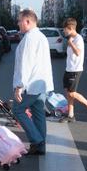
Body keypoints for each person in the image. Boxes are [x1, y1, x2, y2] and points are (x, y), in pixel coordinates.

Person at [12, 9, 54, 155]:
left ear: (27, 21)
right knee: (38, 113)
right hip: (41, 84)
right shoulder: (41, 36)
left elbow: (26, 64)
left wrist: (19, 86)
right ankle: (40, 146)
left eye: (19, 20)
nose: (18, 23)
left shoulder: (30, 38)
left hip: (31, 84)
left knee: (17, 110)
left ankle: (37, 140)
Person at [61, 18, 87, 122]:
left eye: (65, 29)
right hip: (69, 69)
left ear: (70, 28)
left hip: (75, 70)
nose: (64, 31)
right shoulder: (71, 38)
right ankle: (71, 115)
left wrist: (70, 43)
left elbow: (78, 53)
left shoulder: (78, 39)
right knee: (68, 93)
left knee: (72, 93)